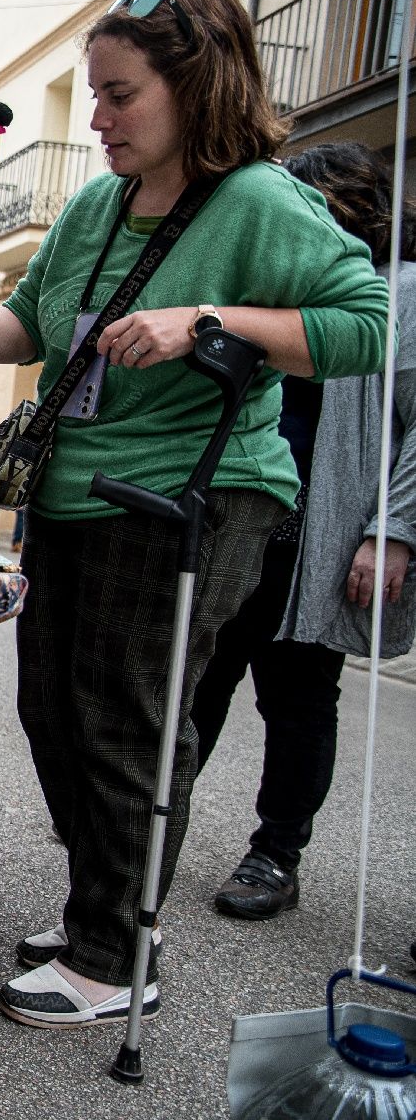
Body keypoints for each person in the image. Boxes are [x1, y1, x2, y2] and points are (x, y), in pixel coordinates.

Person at [0, 0, 386, 1028]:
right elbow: (24, 326)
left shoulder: (256, 200)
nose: (97, 118)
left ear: (191, 88)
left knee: (126, 721)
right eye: (94, 95)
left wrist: (206, 317)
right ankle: (102, 907)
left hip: (190, 495)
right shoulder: (93, 205)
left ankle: (114, 956)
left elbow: (365, 322)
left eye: (117, 95)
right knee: (51, 711)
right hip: (72, 490)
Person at [190, 141, 416, 921]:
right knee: (197, 677)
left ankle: (276, 853)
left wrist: (392, 530)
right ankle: (148, 822)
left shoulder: (397, 295)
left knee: (296, 697)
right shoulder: (276, 298)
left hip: (323, 530)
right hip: (241, 517)